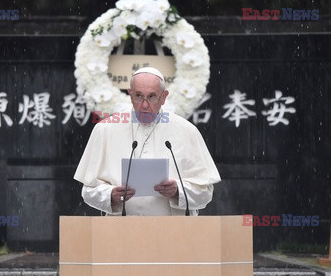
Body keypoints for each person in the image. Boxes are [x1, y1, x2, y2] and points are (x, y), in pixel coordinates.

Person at [74, 67, 221, 215]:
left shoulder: (187, 131)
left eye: (151, 97)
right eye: (138, 96)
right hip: (120, 232)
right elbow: (88, 191)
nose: (144, 105)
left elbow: (205, 193)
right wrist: (110, 195)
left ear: (163, 97)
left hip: (174, 233)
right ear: (130, 94)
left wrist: (178, 191)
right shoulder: (105, 129)